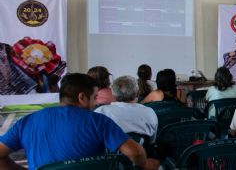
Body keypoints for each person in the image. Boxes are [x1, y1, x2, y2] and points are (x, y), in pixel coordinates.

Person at [0, 73, 158, 170]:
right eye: (95, 97)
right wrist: (145, 164)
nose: (97, 102)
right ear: (82, 97)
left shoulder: (27, 121)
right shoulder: (97, 121)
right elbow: (135, 152)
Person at [95, 76, 158, 144]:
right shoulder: (149, 112)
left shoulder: (100, 112)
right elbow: (152, 141)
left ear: (113, 94)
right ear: (137, 93)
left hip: (107, 153)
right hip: (142, 152)